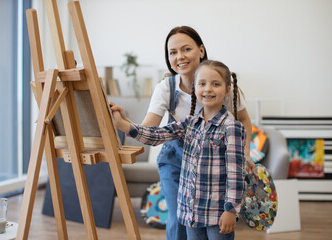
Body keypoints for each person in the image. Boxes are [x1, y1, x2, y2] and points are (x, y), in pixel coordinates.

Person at [109, 26, 256, 240]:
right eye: (173, 52)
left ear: (201, 50)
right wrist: (124, 124)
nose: (180, 57)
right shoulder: (173, 97)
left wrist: (245, 155)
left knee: (216, 227)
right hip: (176, 160)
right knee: (180, 219)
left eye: (186, 49)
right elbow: (153, 133)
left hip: (215, 166)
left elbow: (243, 123)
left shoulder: (225, 92)